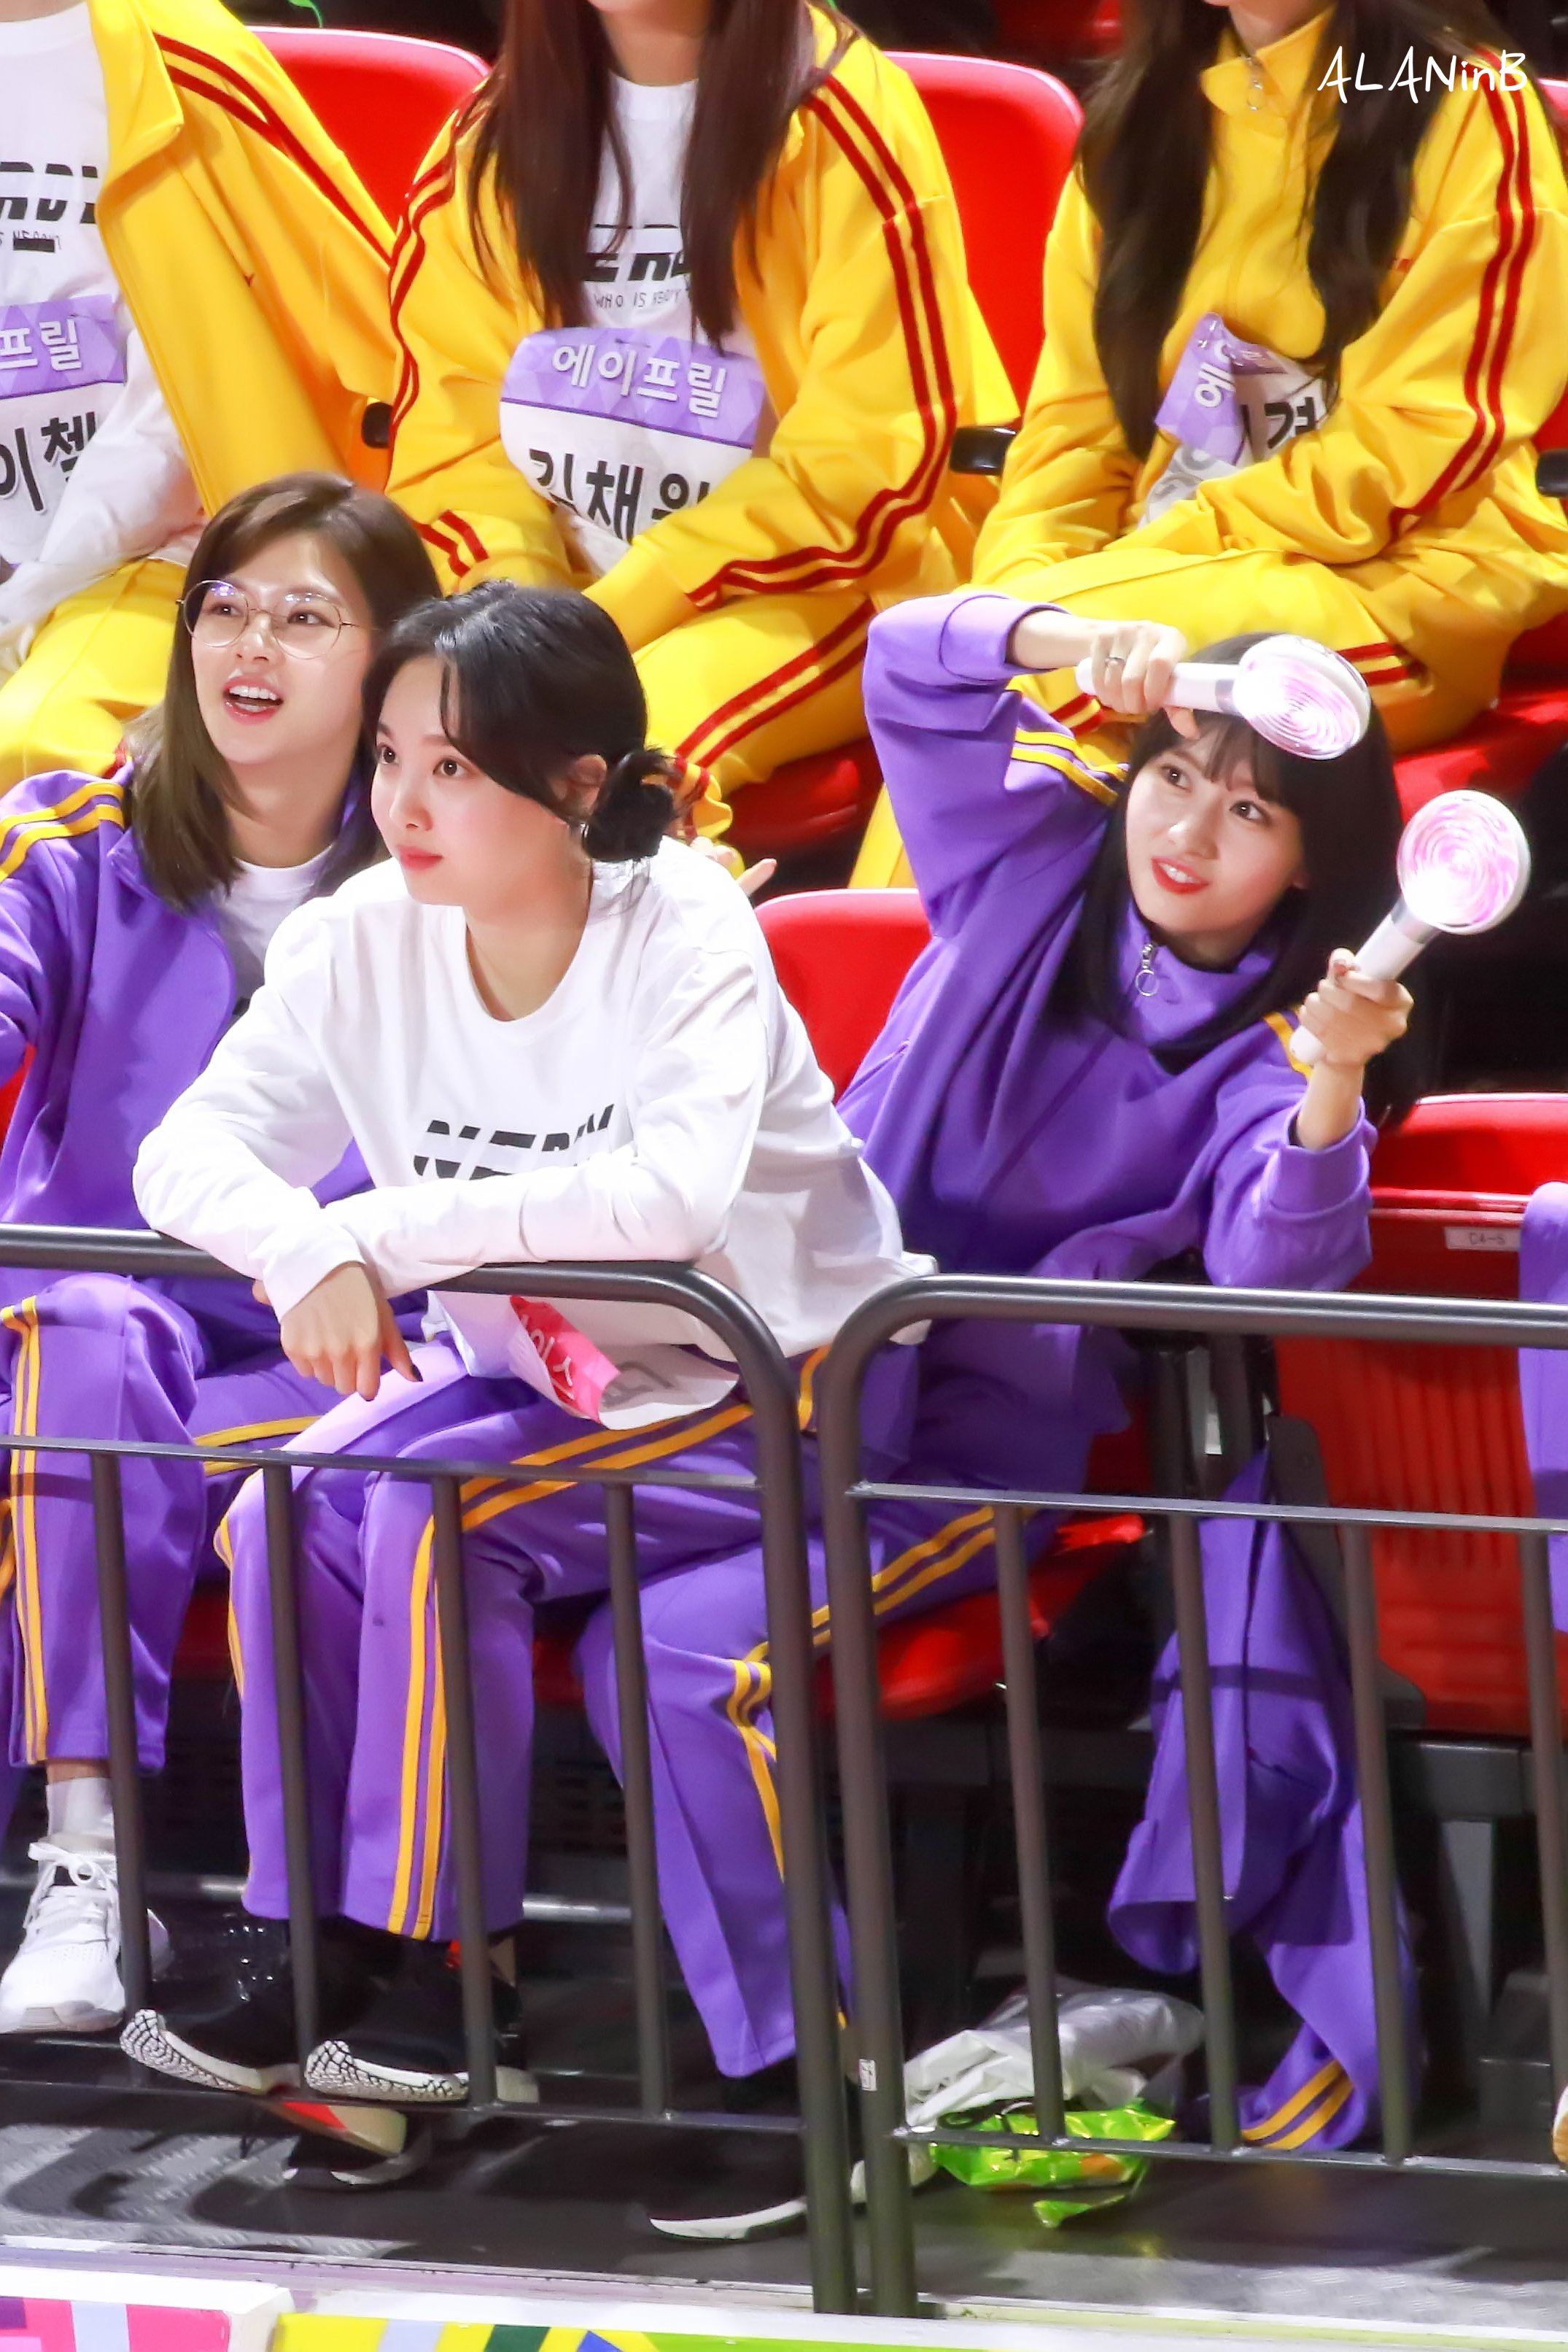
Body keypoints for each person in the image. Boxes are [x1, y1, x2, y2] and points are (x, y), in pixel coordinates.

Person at [122, 581, 1413, 2238]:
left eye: (1250, 811)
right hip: (653, 1372)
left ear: (1308, 863)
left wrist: (1333, 1078)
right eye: (1171, 774)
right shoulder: (1031, 869)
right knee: (297, 1503)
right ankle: (355, 1974)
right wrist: (1064, 643)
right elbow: (908, 663)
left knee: (652, 1643)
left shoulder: (1270, 1044)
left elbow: (1275, 1268)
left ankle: (761, 2067)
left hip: (914, 1422)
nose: (1188, 828)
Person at [118, 579, 928, 2131]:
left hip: (771, 1388)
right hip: (550, 1385)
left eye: (453, 768)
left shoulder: (685, 918)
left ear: (574, 785)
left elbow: (665, 1202)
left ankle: (454, 1970)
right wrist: (303, 1247)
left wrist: (376, 1234)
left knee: (436, 1512)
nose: (403, 804)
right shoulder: (362, 934)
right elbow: (186, 1152)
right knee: (283, 1504)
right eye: (391, 758)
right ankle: (312, 1940)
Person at [0, 471, 438, 2038]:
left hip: (334, 1365)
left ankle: (333, 1953)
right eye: (225, 606)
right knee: (86, 1330)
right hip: (84, 1353)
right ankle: (91, 1862)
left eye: (306, 615)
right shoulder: (70, 837)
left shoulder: (447, 882)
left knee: (101, 1436)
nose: (250, 642)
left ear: (393, 665)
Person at [853, 0, 1568, 884]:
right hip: (1162, 571)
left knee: (992, 679)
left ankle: (898, 973)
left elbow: (1416, 445)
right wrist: (1025, 587)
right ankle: (918, 971)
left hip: (1393, 586)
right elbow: (1070, 430)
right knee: (985, 664)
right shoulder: (1138, 120)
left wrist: (1127, 571)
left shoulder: (1464, 105)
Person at [385, 0, 1012, 837]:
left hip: (824, 581)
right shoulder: (487, 142)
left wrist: (604, 622)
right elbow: (455, 447)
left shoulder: (842, 119)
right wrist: (523, 618)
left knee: (608, 767)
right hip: (569, 598)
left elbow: (865, 472)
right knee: (426, 741)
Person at [0, 0, 395, 790]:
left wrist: (22, 603)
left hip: (172, 554)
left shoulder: (186, 66)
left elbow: (178, 417)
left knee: (37, 748)